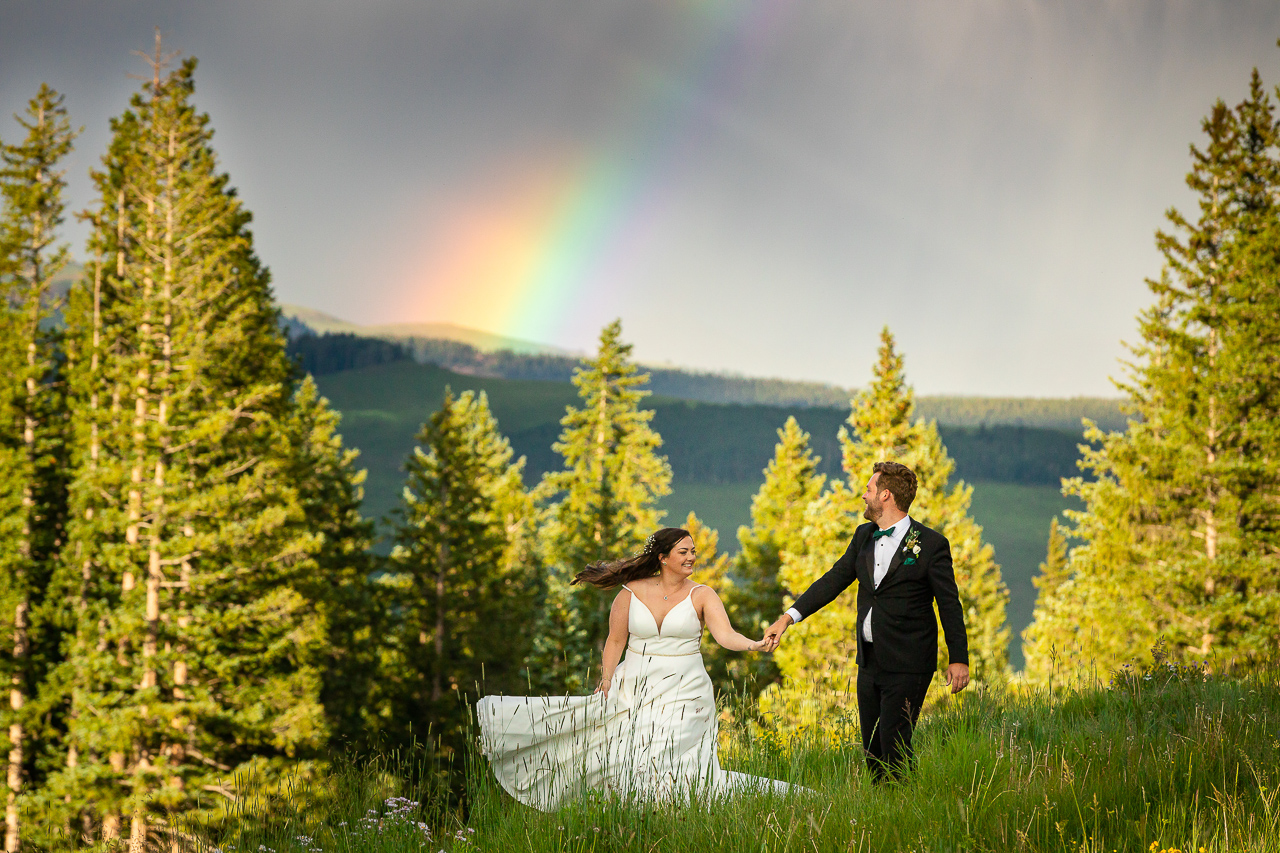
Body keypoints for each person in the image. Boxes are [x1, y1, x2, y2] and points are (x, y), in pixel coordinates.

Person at [476, 527, 799, 810]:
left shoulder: (703, 594)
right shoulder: (631, 592)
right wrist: (606, 679)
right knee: (634, 755)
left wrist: (753, 644)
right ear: (662, 557)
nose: (691, 558)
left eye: (693, 552)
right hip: (635, 684)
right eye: (683, 552)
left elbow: (725, 635)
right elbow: (615, 641)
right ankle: (645, 816)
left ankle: (682, 811)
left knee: (673, 752)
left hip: (686, 688)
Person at [763, 461, 969, 783]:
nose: (863, 495)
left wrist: (958, 658)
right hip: (869, 660)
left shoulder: (929, 544)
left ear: (885, 495)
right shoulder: (864, 536)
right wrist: (788, 618)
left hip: (909, 661)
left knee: (894, 743)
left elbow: (949, 605)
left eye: (869, 489)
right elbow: (833, 580)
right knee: (872, 748)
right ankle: (885, 808)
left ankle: (905, 808)